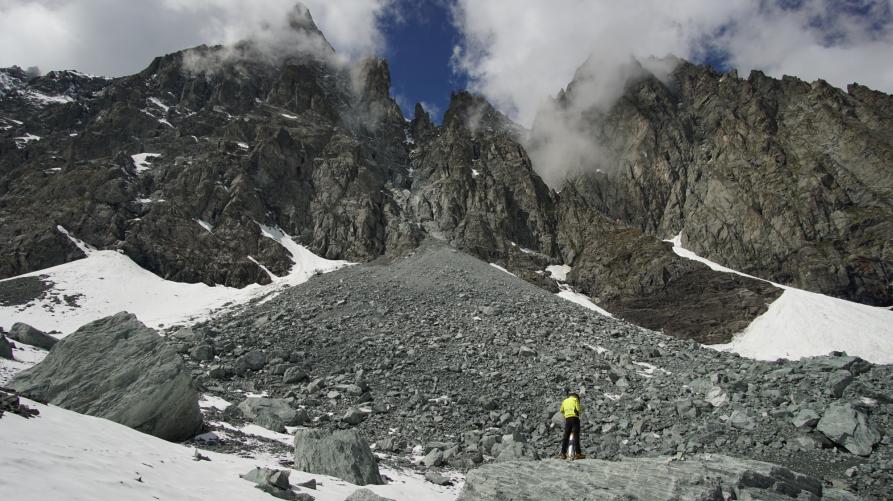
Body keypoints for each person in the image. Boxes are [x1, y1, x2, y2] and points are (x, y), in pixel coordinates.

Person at [557, 392, 585, 459]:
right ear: (575, 396)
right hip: (575, 418)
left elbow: (561, 410)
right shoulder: (575, 400)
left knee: (566, 436)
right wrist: (581, 410)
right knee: (576, 435)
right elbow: (578, 409)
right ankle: (578, 454)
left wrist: (566, 414)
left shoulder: (565, 401)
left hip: (567, 419)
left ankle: (563, 454)